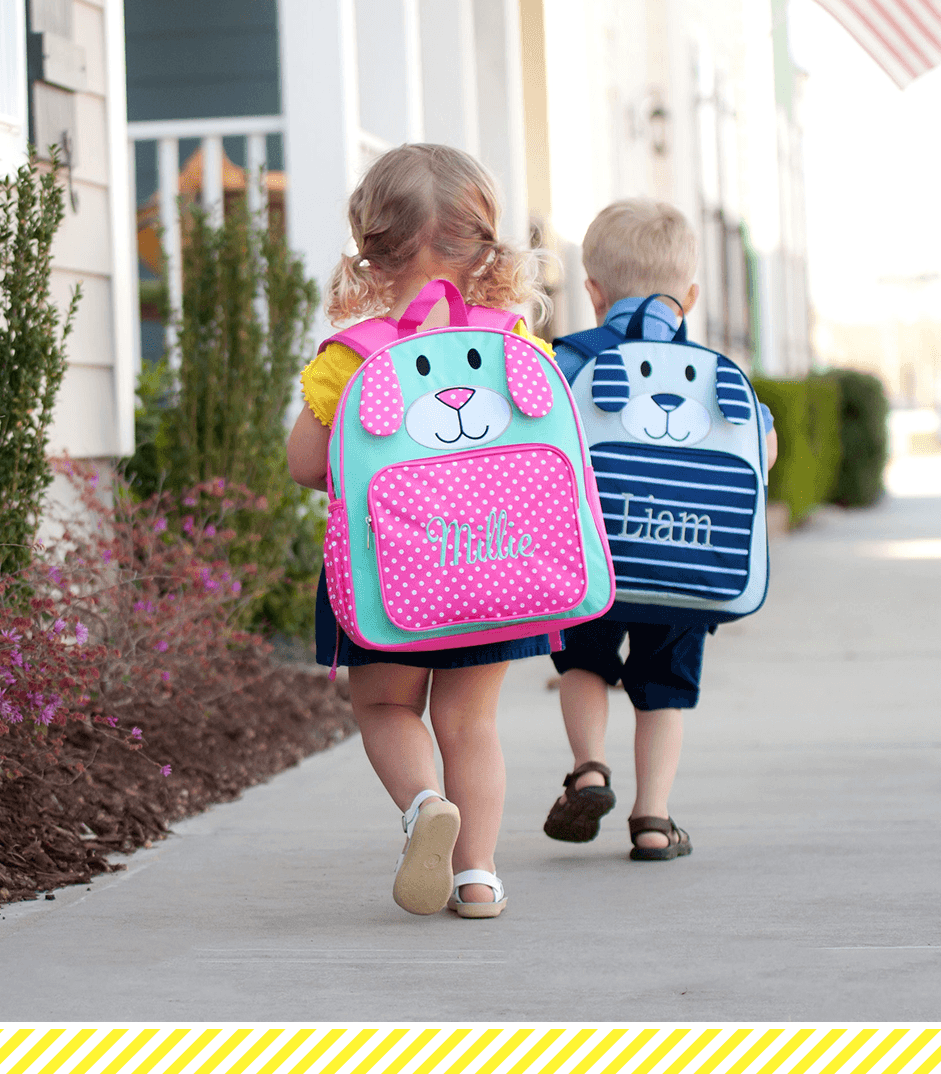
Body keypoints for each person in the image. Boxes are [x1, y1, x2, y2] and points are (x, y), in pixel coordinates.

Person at [286, 144, 553, 918]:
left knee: (387, 709)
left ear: (370, 251)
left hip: (386, 573)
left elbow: (306, 465)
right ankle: (477, 877)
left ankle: (423, 804)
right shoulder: (515, 349)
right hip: (493, 565)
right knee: (471, 722)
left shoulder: (357, 357)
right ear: (486, 247)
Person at [543, 199, 777, 860]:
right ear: (692, 295)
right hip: (687, 560)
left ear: (593, 291)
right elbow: (763, 453)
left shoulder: (569, 362)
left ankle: (588, 769)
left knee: (583, 662)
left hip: (593, 558)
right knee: (662, 689)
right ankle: (653, 818)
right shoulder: (713, 375)